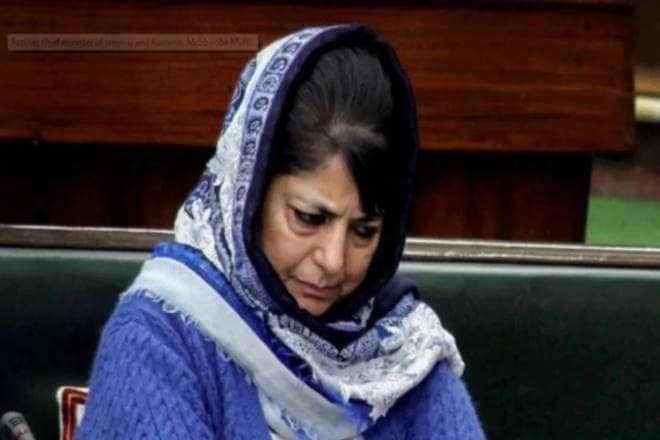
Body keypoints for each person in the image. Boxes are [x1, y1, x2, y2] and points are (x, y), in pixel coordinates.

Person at [75, 24, 486, 439]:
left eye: (364, 231)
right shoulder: (157, 340)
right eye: (309, 218)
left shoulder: (405, 353)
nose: (333, 261)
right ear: (248, 197)